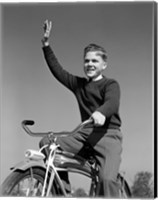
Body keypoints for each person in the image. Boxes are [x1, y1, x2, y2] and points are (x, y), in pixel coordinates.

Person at [39, 19, 123, 197]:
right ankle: (62, 190)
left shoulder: (110, 84)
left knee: (107, 179)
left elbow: (112, 103)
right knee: (48, 144)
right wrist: (46, 45)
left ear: (103, 65)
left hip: (108, 135)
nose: (90, 64)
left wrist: (101, 112)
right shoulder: (79, 85)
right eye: (86, 61)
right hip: (85, 135)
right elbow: (59, 71)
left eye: (94, 61)